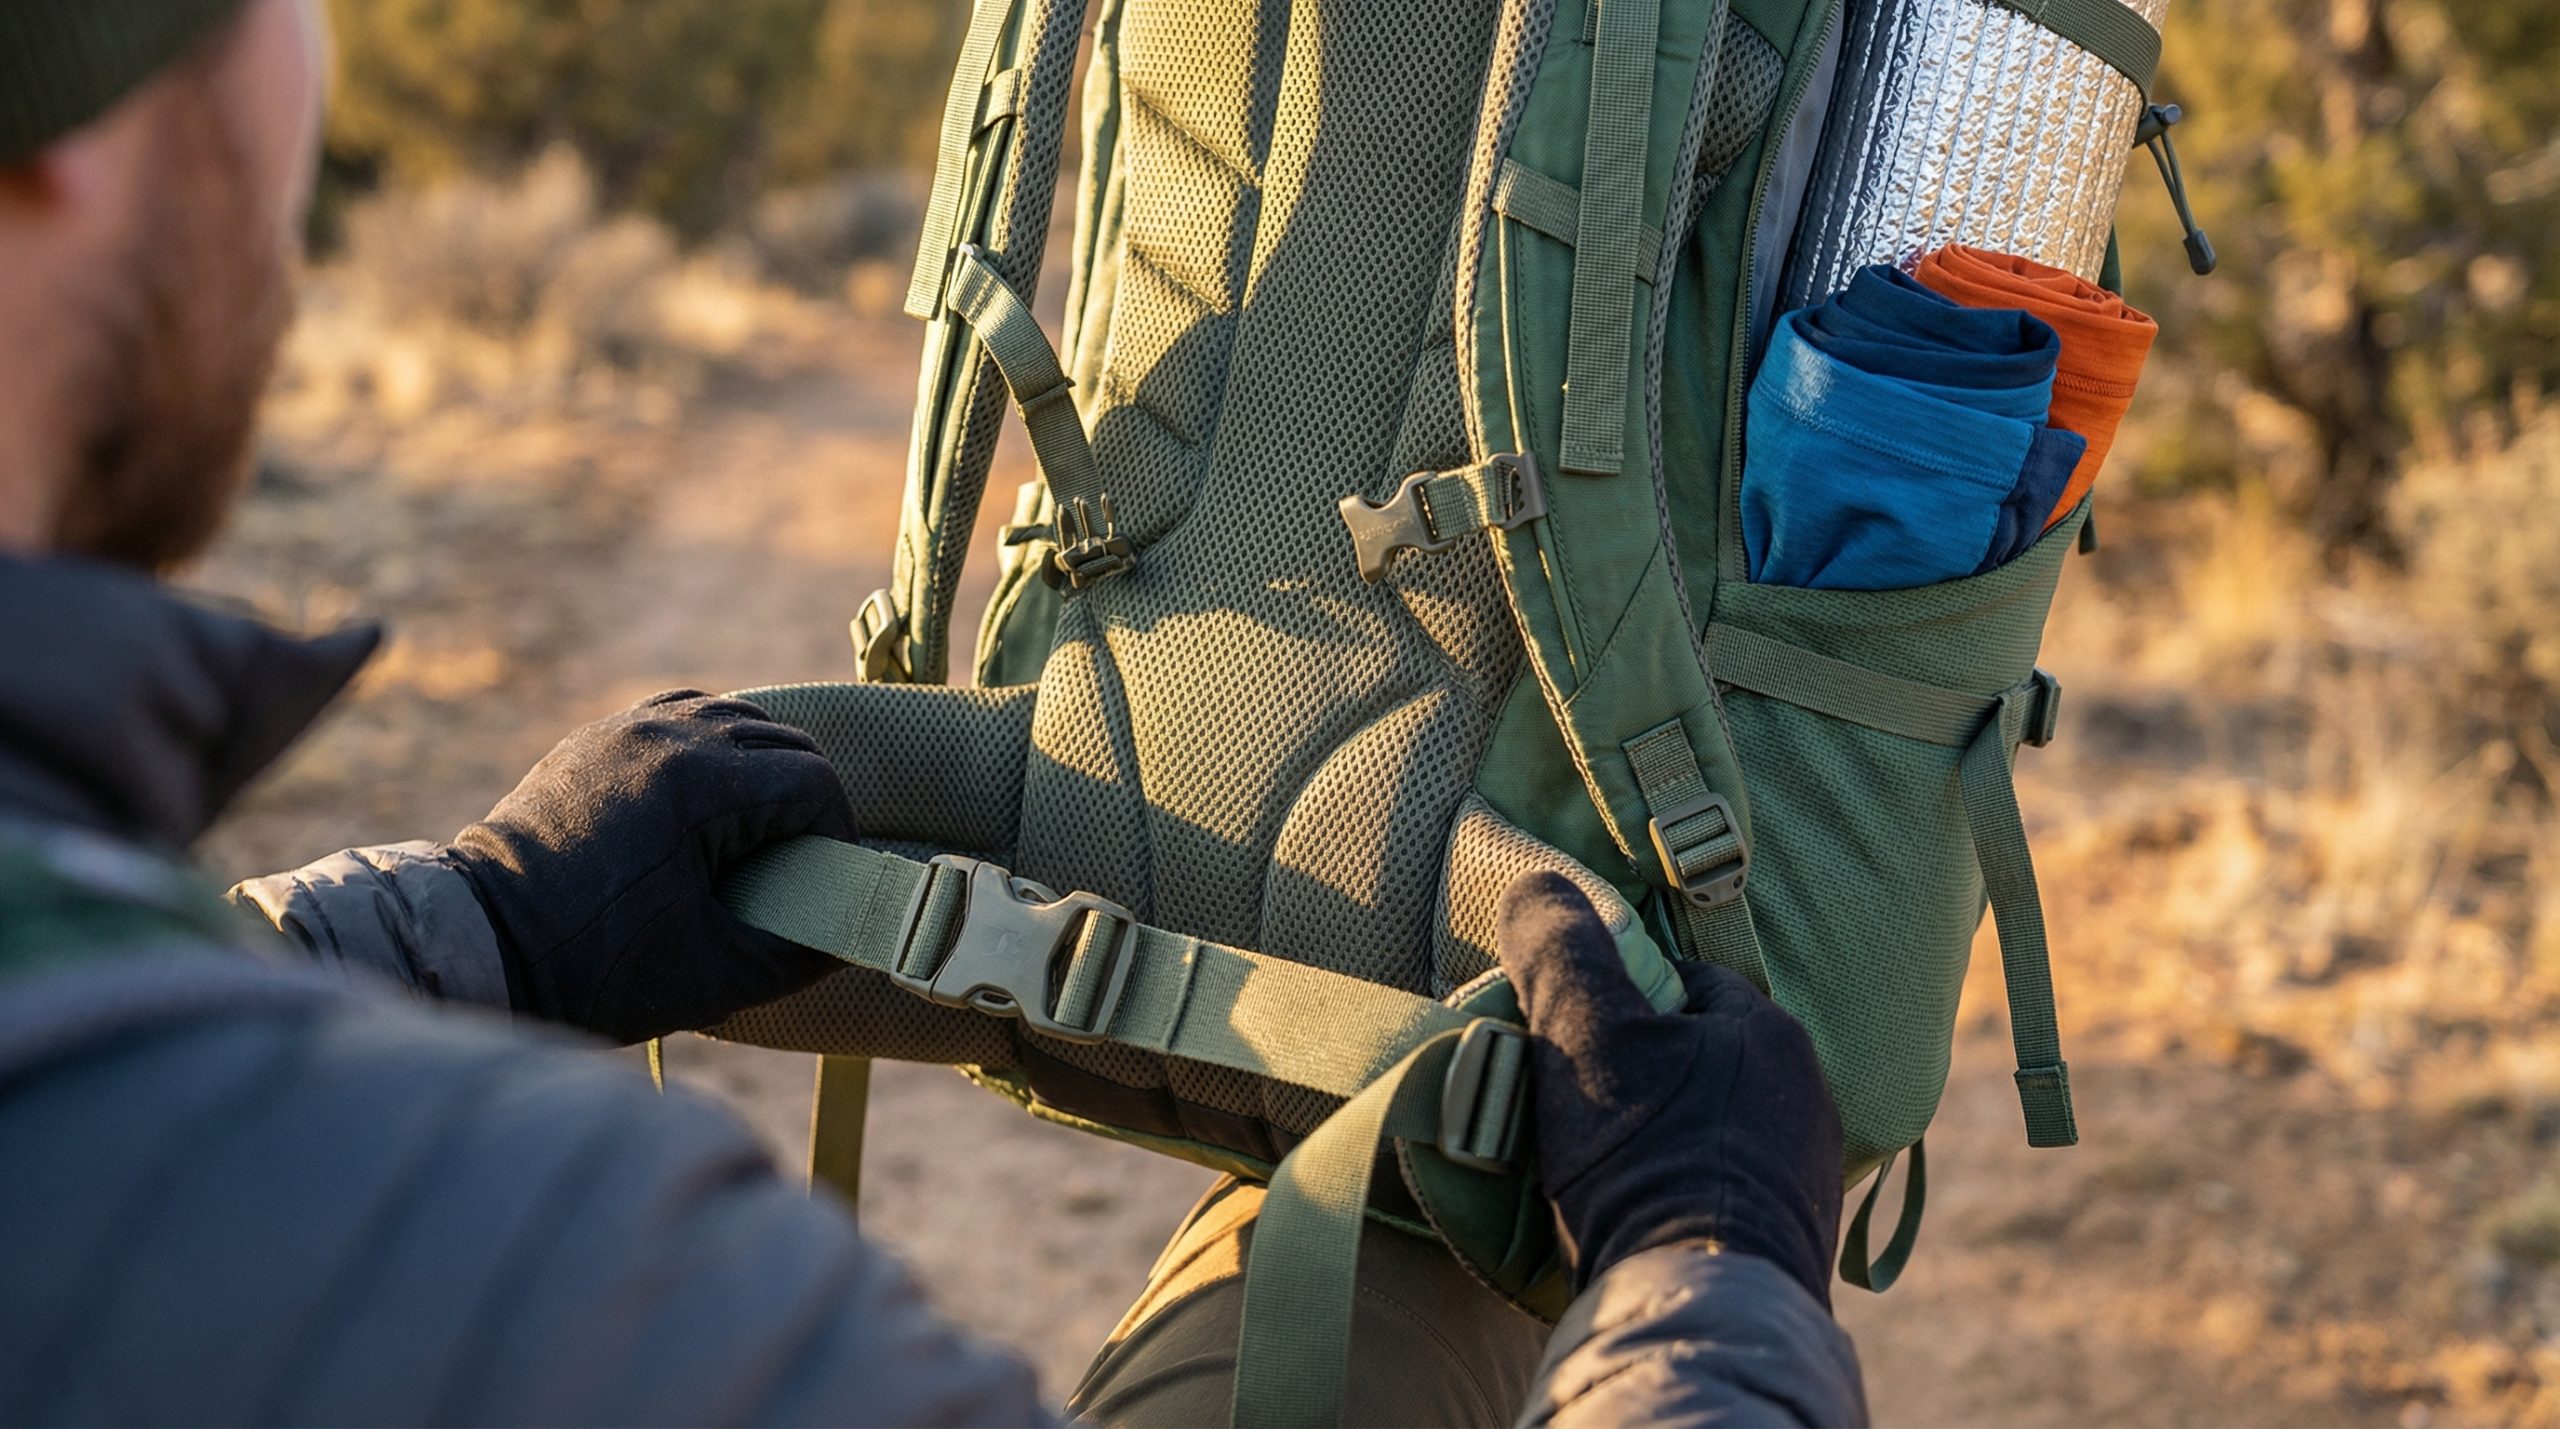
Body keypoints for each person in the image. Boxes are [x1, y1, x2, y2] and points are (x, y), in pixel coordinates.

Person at [0, 2, 1869, 1423]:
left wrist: (458, 927)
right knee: (1348, 1302)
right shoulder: (607, 1300)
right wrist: (1709, 1284)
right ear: (73, 129)